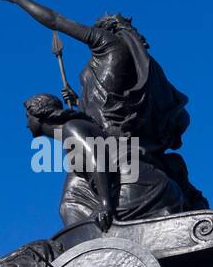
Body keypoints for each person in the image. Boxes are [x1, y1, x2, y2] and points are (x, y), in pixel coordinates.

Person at [1, 0, 208, 210]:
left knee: (70, 203)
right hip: (110, 136)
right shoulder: (120, 60)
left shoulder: (107, 43)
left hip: (105, 141)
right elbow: (103, 102)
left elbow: (56, 21)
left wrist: (19, 0)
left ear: (105, 30)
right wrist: (78, 99)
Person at [24, 93, 184, 230]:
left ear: (38, 114)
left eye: (27, 116)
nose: (26, 124)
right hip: (145, 185)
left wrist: (105, 204)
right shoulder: (74, 127)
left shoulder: (71, 128)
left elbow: (98, 160)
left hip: (140, 188)